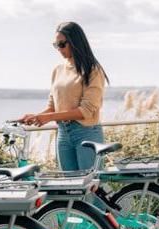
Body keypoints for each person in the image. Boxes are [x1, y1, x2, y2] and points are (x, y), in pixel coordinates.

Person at [19, 21, 110, 171]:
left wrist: (50, 117)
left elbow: (86, 111)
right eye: (56, 45)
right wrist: (36, 116)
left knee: (89, 189)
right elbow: (52, 107)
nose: (59, 49)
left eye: (62, 44)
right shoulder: (58, 70)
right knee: (70, 187)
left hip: (86, 133)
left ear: (75, 42)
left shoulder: (92, 70)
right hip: (63, 134)